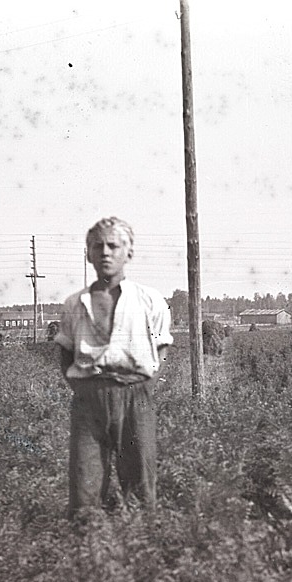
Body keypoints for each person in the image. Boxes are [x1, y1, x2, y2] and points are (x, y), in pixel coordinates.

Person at [54, 217, 173, 519]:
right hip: (89, 400)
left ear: (128, 253)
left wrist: (146, 384)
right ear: (88, 254)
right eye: (97, 246)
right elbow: (65, 352)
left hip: (135, 397)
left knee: (140, 484)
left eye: (113, 245)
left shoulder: (150, 300)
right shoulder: (74, 304)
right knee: (85, 484)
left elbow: (161, 347)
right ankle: (89, 549)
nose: (105, 252)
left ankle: (141, 550)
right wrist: (82, 389)